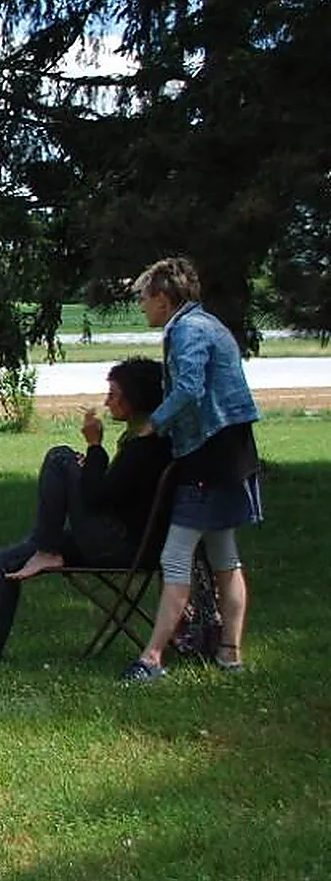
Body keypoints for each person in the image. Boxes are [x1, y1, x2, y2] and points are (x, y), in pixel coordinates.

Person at [0, 359, 172, 660]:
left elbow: (96, 497)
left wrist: (95, 446)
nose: (106, 402)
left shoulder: (145, 447)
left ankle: (45, 548)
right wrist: (90, 468)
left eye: (113, 395)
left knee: (60, 458)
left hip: (121, 546)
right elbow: (113, 490)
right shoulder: (144, 441)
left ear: (135, 399)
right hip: (119, 537)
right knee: (7, 560)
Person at [121, 257, 261, 683]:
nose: (142, 307)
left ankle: (153, 657)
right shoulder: (206, 324)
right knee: (225, 557)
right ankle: (229, 656)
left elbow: (189, 388)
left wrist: (153, 425)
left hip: (209, 453)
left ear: (163, 299)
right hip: (230, 451)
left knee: (175, 556)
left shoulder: (188, 330)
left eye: (145, 299)